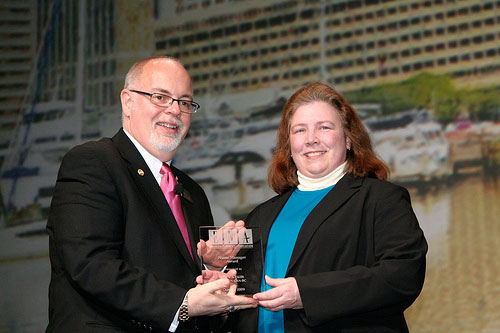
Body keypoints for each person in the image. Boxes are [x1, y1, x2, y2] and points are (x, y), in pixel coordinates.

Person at [46, 56, 256, 332]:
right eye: (160, 97)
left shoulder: (192, 192)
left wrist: (208, 271)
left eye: (184, 102)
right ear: (128, 101)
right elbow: (90, 265)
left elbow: (182, 282)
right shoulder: (93, 162)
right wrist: (183, 303)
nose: (174, 110)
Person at [230, 82, 428, 332]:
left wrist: (307, 293)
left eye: (324, 127)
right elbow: (242, 296)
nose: (311, 139)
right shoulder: (260, 215)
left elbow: (402, 275)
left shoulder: (381, 199)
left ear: (348, 139)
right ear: (289, 146)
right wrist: (218, 273)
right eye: (300, 130)